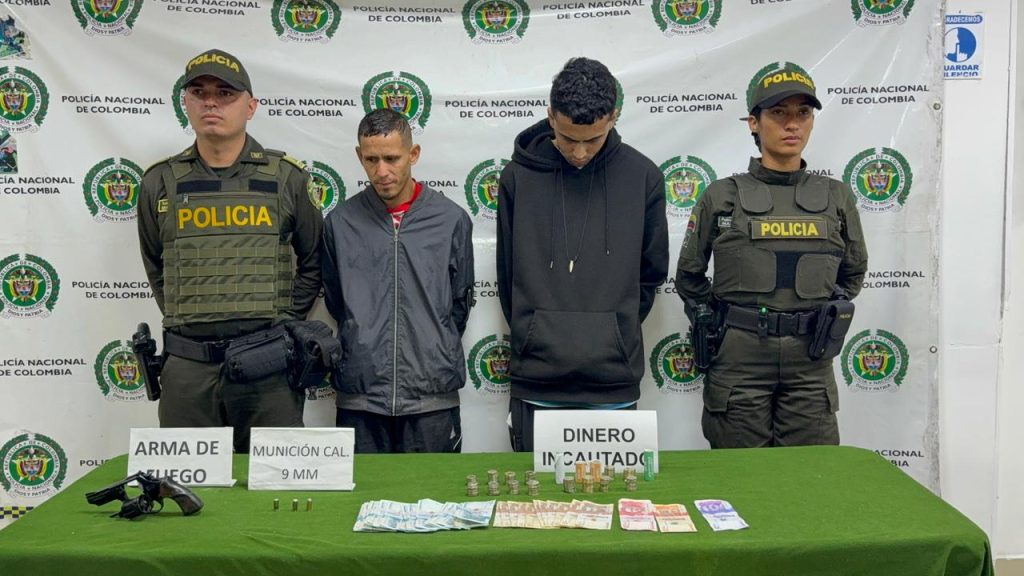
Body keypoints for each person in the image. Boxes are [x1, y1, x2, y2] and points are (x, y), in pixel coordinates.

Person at [136, 49, 323, 453]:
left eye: (225, 93)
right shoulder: (159, 183)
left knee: (273, 489)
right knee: (185, 495)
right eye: (199, 92)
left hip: (267, 366)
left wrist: (286, 321)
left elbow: (315, 261)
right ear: (185, 102)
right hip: (187, 369)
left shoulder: (286, 178)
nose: (211, 102)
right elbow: (156, 264)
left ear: (250, 106)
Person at [675, 62, 869, 448]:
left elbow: (853, 272)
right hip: (739, 360)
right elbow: (689, 276)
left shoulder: (836, 196)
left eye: (803, 113)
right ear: (753, 122)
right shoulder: (721, 195)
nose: (792, 124)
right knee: (740, 481)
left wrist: (821, 315)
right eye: (778, 113)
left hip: (810, 363)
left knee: (810, 479)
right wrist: (718, 323)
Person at [496, 57, 669, 452]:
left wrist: (613, 331)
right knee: (534, 507)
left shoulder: (643, 177)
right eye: (567, 138)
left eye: (591, 140)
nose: (578, 152)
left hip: (612, 381)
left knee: (613, 504)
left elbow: (651, 272)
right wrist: (536, 331)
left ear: (613, 117)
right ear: (550, 115)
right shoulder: (518, 178)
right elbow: (508, 278)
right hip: (537, 379)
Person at [322, 108, 475, 453]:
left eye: (392, 158)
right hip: (361, 398)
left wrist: (430, 344)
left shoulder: (450, 220)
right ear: (359, 156)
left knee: (434, 503)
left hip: (431, 397)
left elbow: (459, 304)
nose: (382, 171)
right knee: (357, 503)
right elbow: (336, 301)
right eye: (371, 160)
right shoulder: (340, 223)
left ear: (414, 154)